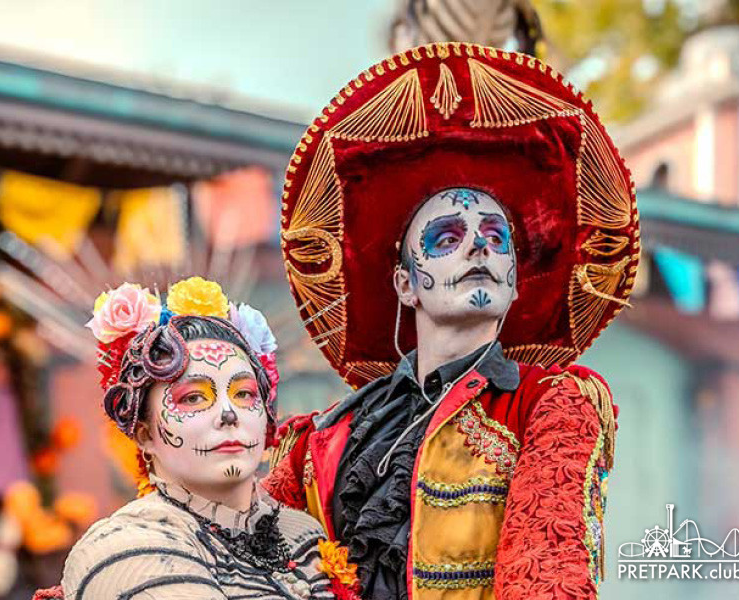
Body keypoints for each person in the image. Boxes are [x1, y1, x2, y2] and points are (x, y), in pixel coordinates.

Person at [265, 43, 639, 599]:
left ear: (514, 281)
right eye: (447, 238)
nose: (478, 249)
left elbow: (546, 574)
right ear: (406, 284)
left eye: (495, 238)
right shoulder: (323, 437)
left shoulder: (548, 405)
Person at [47, 277, 354, 600]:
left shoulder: (304, 533)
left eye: (244, 394)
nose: (228, 413)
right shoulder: (128, 547)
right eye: (193, 398)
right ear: (144, 434)